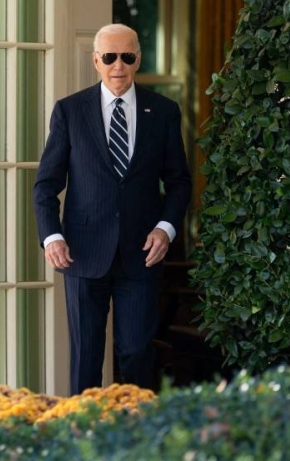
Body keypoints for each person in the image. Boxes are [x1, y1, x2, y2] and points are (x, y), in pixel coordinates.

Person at [33, 23, 192, 393]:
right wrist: (51, 236)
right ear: (96, 61)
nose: (118, 65)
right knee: (86, 356)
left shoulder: (164, 112)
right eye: (109, 57)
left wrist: (165, 229)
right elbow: (45, 185)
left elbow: (180, 182)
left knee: (136, 352)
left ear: (138, 60)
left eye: (127, 56)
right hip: (82, 254)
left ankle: (134, 437)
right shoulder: (70, 111)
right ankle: (83, 438)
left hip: (142, 255)